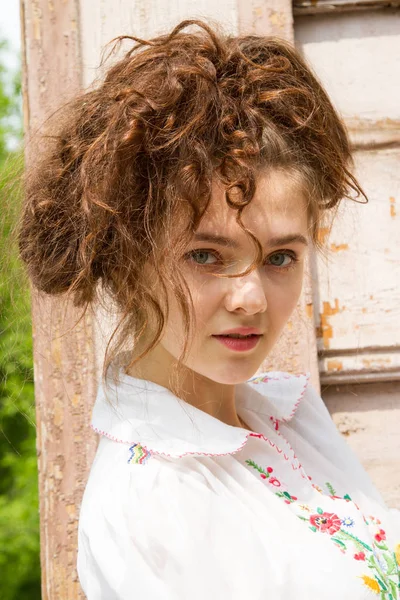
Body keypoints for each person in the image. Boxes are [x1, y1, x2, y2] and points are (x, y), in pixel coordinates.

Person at [18, 18, 400, 600]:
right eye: (205, 255)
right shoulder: (152, 504)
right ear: (126, 257)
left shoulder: (291, 416)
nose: (249, 298)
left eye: (279, 258)